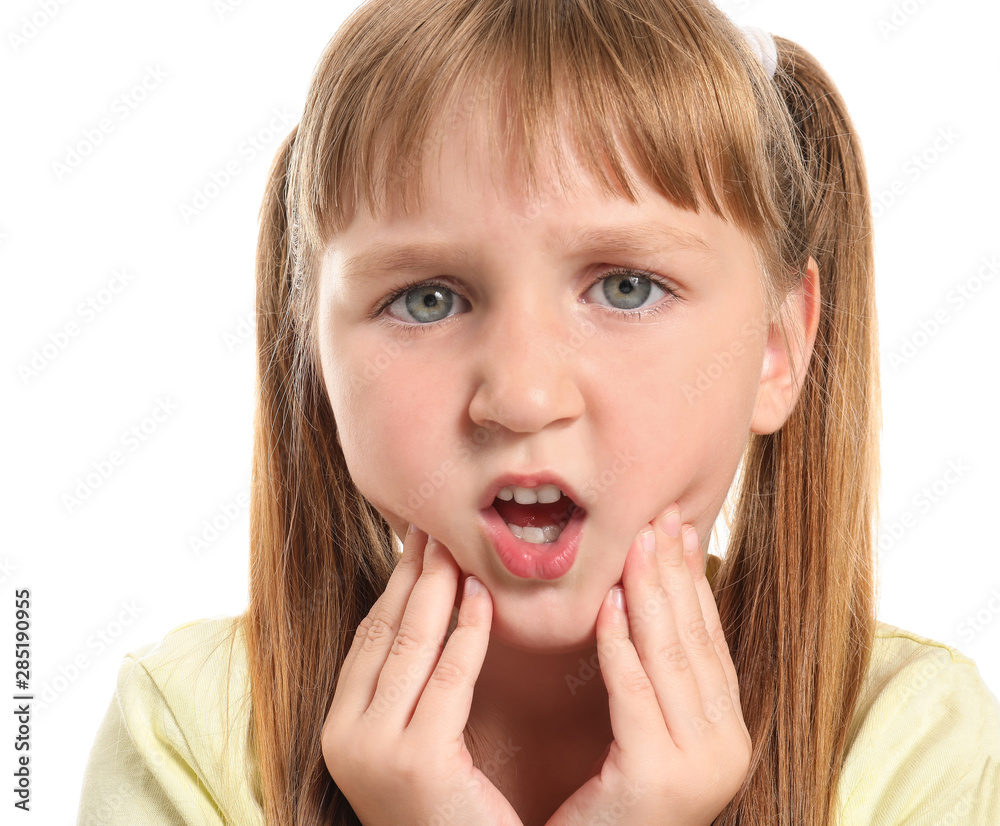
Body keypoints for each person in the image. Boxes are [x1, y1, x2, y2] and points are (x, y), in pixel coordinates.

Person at [77, 0, 1000, 823]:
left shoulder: (909, 743)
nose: (521, 398)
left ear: (776, 347)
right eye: (428, 299)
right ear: (311, 349)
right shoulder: (187, 733)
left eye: (628, 287)